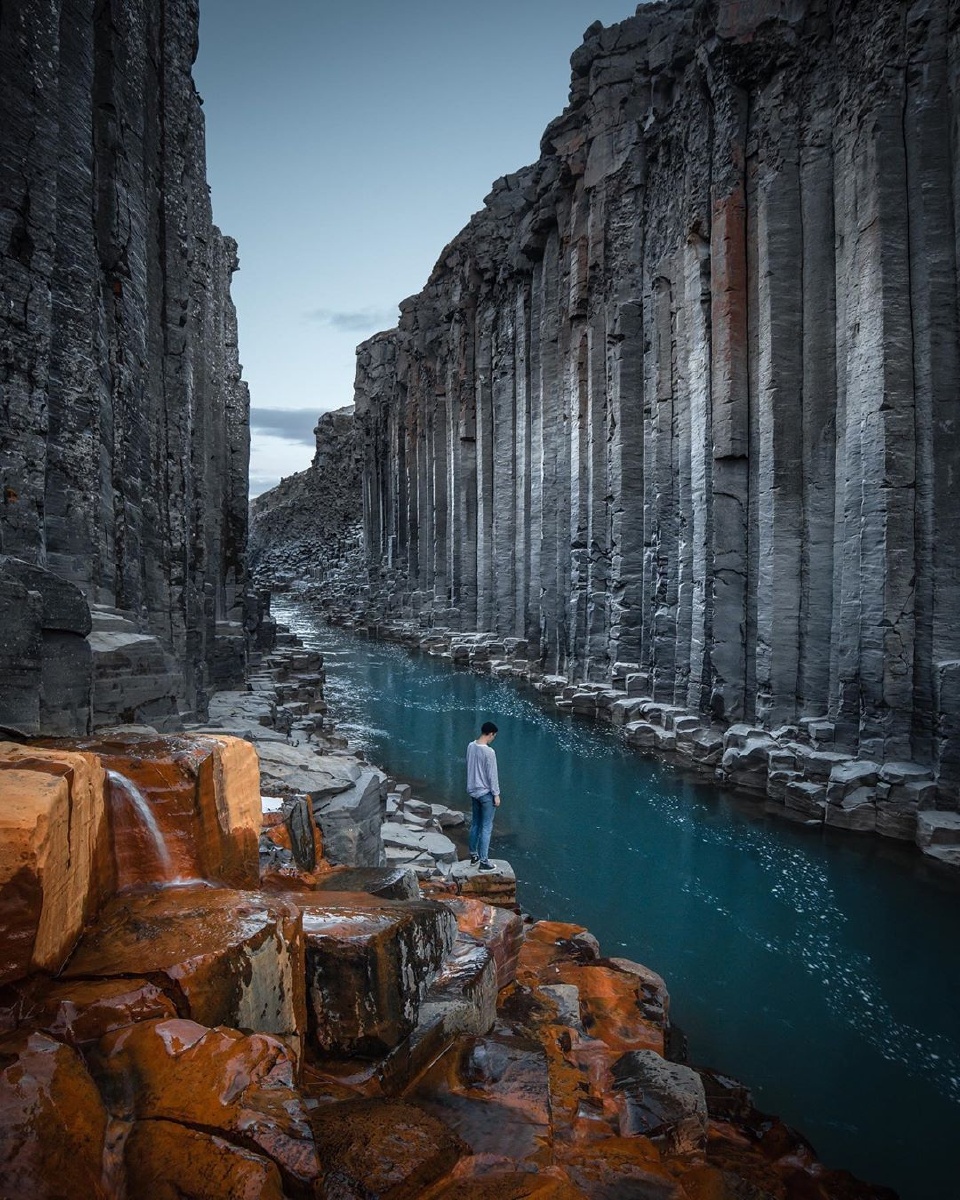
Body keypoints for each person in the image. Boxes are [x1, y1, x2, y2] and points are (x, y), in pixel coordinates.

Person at [466, 721, 501, 871]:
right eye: (494, 736)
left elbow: (469, 765)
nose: (493, 738)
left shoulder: (470, 746)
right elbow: (492, 776)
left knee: (475, 824)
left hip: (473, 791)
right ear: (491, 733)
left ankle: (473, 855)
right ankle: (484, 862)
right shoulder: (489, 752)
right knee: (486, 827)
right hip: (486, 794)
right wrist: (496, 794)